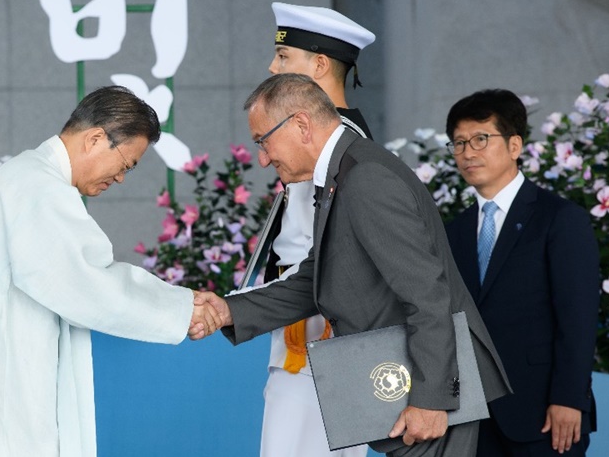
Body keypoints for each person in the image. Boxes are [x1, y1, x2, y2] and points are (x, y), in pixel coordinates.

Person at [0, 86, 220, 457]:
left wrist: (178, 302)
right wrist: (181, 308)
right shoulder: (38, 186)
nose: (122, 178)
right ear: (96, 138)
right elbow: (85, 283)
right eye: (126, 164)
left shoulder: (30, 176)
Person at [197, 73, 511, 457]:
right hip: (406, 387)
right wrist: (231, 309)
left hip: (431, 396)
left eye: (263, 140)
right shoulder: (341, 172)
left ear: (300, 124)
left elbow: (428, 292)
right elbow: (318, 277)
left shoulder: (364, 177)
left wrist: (432, 400)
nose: (263, 156)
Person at [443, 89, 599, 456]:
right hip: (473, 418)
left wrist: (569, 399)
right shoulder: (453, 231)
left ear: (515, 145)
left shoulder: (559, 219)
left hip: (545, 414)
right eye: (459, 142)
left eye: (481, 138)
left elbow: (577, 319)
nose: (468, 152)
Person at [250, 2, 375, 457]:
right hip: (307, 342)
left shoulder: (333, 146)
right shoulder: (339, 139)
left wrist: (232, 310)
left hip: (316, 345)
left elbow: (318, 254)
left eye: (284, 58)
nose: (271, 66)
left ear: (320, 65)